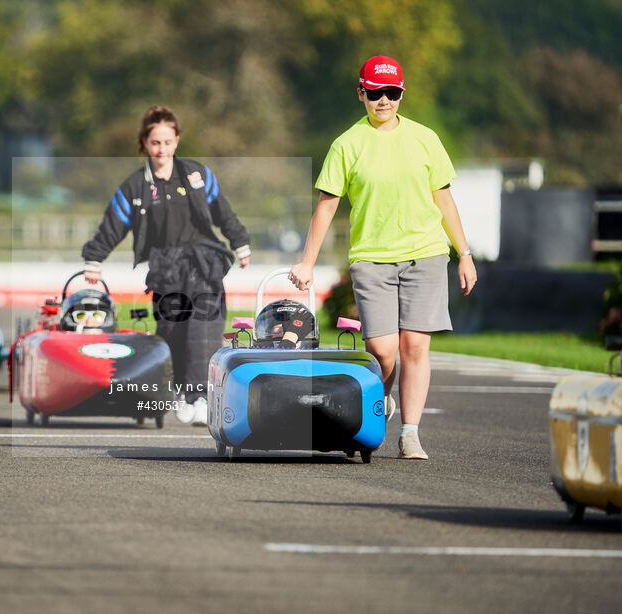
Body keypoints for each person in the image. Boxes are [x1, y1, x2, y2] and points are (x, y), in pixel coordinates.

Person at [288, 56, 477, 460]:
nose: (384, 100)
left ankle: (410, 434)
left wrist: (464, 252)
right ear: (362, 94)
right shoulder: (347, 144)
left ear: (401, 94)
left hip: (425, 253)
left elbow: (443, 198)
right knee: (383, 348)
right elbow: (326, 206)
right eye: (375, 93)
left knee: (415, 347)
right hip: (372, 257)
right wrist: (307, 262)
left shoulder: (425, 138)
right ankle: (378, 405)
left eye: (392, 93)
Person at [81, 105, 251, 426]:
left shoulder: (197, 175)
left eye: (168, 142)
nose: (162, 149)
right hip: (166, 269)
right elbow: (111, 226)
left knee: (202, 328)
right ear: (145, 143)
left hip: (203, 261)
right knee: (171, 332)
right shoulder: (135, 187)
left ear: (177, 142)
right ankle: (182, 394)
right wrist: (95, 259)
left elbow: (223, 213)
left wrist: (240, 243)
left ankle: (202, 397)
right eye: (155, 143)